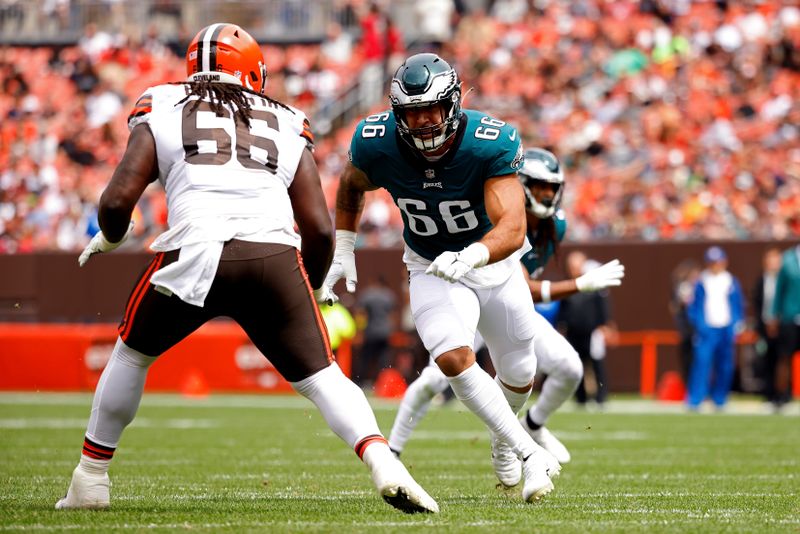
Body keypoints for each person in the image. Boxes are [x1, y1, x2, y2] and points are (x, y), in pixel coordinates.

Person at [55, 23, 438, 514]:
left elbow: (117, 198)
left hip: (192, 253)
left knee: (131, 356)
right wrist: (314, 286)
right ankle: (383, 460)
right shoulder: (284, 118)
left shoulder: (164, 103)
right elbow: (318, 229)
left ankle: (91, 479)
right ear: (254, 71)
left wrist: (111, 235)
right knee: (323, 376)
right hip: (272, 256)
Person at [322, 53, 563, 503]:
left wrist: (472, 254)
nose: (426, 121)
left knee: (520, 371)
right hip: (431, 265)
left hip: (492, 264)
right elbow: (352, 184)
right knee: (453, 358)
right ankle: (528, 453)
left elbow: (513, 227)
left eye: (433, 108)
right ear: (398, 115)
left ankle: (504, 446)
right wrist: (345, 246)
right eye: (413, 112)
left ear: (453, 103)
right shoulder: (377, 143)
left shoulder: (487, 142)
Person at [387, 148, 625, 466]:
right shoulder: (494, 211)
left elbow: (520, 290)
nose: (548, 194)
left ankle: (533, 425)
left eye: (552, 188)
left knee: (570, 368)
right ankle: (393, 449)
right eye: (540, 186)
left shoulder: (554, 226)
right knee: (434, 378)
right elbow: (525, 284)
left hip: (506, 309)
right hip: (472, 300)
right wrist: (579, 285)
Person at [686, 246, 744, 411]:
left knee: (725, 365)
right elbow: (694, 307)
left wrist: (736, 324)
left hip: (725, 328)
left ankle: (720, 399)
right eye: (712, 262)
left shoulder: (731, 281)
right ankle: (696, 399)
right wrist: (700, 325)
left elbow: (738, 305)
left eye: (717, 262)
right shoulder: (700, 281)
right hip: (707, 329)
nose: (715, 265)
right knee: (702, 364)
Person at [556, 252, 615, 408]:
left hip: (592, 331)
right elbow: (563, 309)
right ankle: (580, 397)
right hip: (573, 331)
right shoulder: (566, 285)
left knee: (596, 364)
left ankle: (601, 398)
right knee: (576, 365)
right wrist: (561, 326)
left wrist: (605, 325)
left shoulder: (593, 284)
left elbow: (602, 306)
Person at [770, 243, 800, 410]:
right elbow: (779, 290)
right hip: (790, 316)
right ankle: (781, 395)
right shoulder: (788, 259)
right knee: (784, 358)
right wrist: (774, 315)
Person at [752, 248, 784, 407]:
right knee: (766, 361)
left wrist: (778, 321)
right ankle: (769, 394)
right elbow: (757, 304)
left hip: (783, 326)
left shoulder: (785, 280)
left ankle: (783, 395)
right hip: (765, 327)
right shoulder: (761, 280)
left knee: (782, 361)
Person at [354, 276, 397, 387]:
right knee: (384, 359)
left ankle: (360, 382)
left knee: (365, 359)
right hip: (385, 332)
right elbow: (392, 315)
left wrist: (359, 331)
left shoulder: (367, 295)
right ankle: (384, 383)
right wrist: (392, 330)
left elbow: (361, 313)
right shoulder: (389, 295)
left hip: (370, 331)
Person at [669, 259, 702, 383]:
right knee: (689, 359)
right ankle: (690, 387)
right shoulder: (684, 287)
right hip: (688, 331)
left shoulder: (699, 287)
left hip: (698, 330)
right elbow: (683, 305)